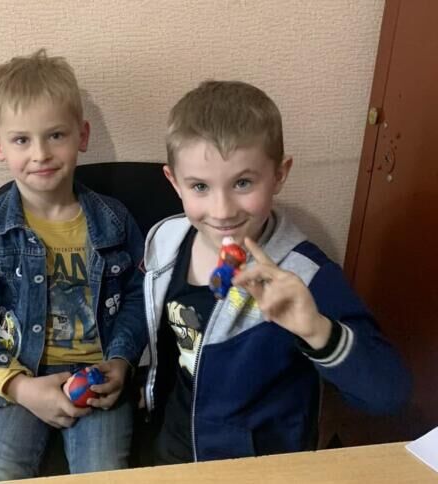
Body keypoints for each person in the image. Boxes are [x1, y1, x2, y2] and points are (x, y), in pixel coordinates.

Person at [142, 80, 411, 464]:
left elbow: (389, 393)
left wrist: (316, 330)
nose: (222, 211)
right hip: (174, 448)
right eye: (200, 186)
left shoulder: (306, 274)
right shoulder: (166, 241)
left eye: (243, 183)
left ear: (280, 175)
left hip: (260, 465)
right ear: (174, 182)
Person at [0, 49, 147, 482]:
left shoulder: (114, 222)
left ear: (82, 135)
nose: (40, 153)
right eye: (22, 140)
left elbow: (138, 298)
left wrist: (121, 362)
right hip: (18, 371)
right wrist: (20, 387)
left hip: (96, 376)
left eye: (55, 135)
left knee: (103, 473)